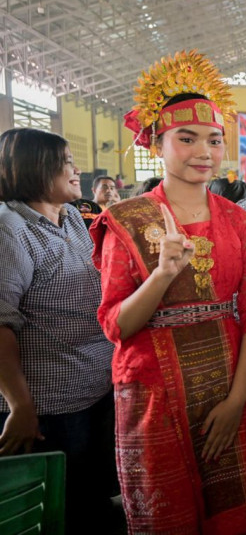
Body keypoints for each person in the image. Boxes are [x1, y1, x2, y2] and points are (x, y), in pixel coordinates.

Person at [92, 50, 246, 533]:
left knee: (229, 515)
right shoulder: (127, 221)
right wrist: (162, 275)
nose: (204, 152)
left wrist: (238, 402)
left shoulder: (238, 219)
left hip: (223, 387)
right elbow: (116, 325)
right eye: (186, 138)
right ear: (157, 142)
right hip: (152, 394)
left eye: (214, 140)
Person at [0, 127, 116, 531]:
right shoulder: (10, 229)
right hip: (49, 407)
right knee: (59, 511)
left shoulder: (71, 219)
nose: (76, 170)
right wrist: (21, 406)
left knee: (90, 498)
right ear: (34, 167)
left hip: (94, 388)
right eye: (66, 162)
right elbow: (1, 324)